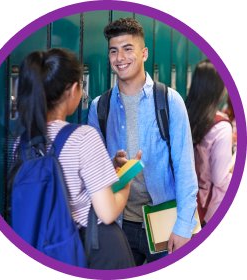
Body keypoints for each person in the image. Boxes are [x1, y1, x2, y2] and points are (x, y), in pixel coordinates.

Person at [8, 48, 136, 269]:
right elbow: (107, 212)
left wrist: (108, 167)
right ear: (73, 89)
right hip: (94, 250)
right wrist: (126, 183)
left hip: (50, 248)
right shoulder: (83, 136)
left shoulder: (22, 144)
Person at [88, 18, 198, 265]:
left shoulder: (170, 101)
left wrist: (183, 226)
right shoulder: (99, 107)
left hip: (165, 221)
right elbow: (95, 172)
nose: (120, 57)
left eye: (128, 49)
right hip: (120, 224)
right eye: (113, 51)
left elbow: (185, 170)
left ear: (144, 53)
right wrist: (112, 164)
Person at [185, 59, 232, 227]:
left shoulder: (185, 114)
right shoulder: (222, 127)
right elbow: (220, 179)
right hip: (208, 209)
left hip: (184, 204)